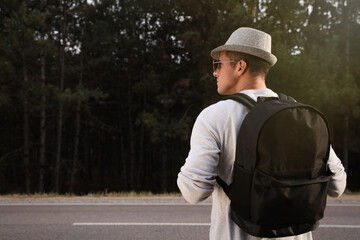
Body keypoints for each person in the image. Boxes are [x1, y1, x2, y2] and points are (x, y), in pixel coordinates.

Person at [177, 27, 347, 240]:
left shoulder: (214, 116)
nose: (215, 72)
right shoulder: (299, 113)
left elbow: (194, 192)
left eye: (218, 64)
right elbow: (337, 185)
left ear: (240, 66)